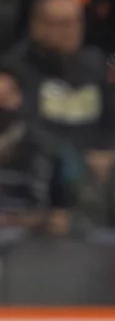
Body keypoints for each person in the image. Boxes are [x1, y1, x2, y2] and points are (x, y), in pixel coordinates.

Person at [5, 0, 115, 189]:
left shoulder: (94, 63)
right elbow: (26, 126)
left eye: (77, 22)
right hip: (45, 167)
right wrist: (77, 155)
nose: (72, 30)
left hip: (98, 163)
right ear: (38, 27)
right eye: (64, 24)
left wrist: (107, 150)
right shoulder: (16, 68)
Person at [0, 68, 79, 234]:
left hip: (30, 240)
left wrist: (12, 220)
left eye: (5, 97)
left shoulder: (45, 147)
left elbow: (58, 214)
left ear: (19, 98)